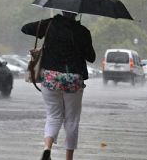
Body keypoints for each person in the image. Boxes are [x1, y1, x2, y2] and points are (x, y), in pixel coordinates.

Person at [21, 11, 96, 160]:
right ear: (77, 13)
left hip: (50, 78)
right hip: (73, 79)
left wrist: (45, 24)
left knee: (53, 116)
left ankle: (47, 148)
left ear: (62, 11)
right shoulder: (82, 31)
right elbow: (91, 57)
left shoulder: (50, 24)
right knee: (72, 120)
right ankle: (69, 158)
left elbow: (25, 28)